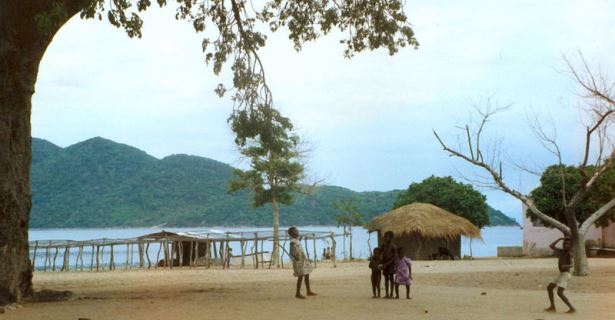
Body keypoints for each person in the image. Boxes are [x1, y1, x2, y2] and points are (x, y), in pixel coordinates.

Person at [545, 237, 575, 313]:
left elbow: (572, 264)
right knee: (549, 288)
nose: (565, 245)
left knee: (560, 293)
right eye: (564, 243)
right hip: (561, 274)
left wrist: (565, 266)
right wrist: (559, 239)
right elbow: (551, 246)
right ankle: (552, 306)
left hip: (565, 275)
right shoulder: (561, 251)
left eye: (568, 244)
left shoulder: (569, 253)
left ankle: (572, 308)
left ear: (571, 246)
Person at [288, 227, 317, 299]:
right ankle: (297, 293)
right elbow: (292, 251)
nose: (297, 232)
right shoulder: (292, 241)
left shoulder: (296, 240)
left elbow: (298, 242)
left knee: (307, 274)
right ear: (291, 234)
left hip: (302, 260)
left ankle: (308, 291)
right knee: (300, 276)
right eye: (295, 231)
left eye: (297, 231)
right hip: (298, 261)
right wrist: (295, 256)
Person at [380, 231, 397, 298]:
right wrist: (381, 262)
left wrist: (387, 264)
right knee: (386, 279)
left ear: (391, 238)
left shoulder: (393, 246)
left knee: (391, 279)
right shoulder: (383, 246)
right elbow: (380, 253)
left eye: (388, 237)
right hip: (385, 264)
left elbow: (394, 257)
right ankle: (387, 294)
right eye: (385, 237)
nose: (387, 238)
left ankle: (391, 294)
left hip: (391, 264)